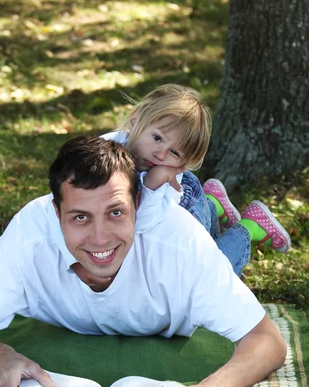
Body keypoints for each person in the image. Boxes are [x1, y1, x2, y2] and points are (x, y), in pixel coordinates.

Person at [0, 136, 287, 387]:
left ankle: (227, 216)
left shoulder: (180, 243)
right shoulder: (29, 236)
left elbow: (266, 340)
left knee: (224, 257)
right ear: (56, 213)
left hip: (189, 254)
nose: (100, 238)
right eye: (80, 217)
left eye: (115, 213)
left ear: (137, 205)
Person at [102, 84, 290, 277]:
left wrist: (152, 183)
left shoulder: (164, 179)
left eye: (174, 152)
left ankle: (250, 226)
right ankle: (211, 204)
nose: (160, 154)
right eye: (157, 138)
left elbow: (141, 226)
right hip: (183, 198)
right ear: (134, 121)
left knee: (206, 270)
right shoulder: (108, 147)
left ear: (183, 164)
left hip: (183, 202)